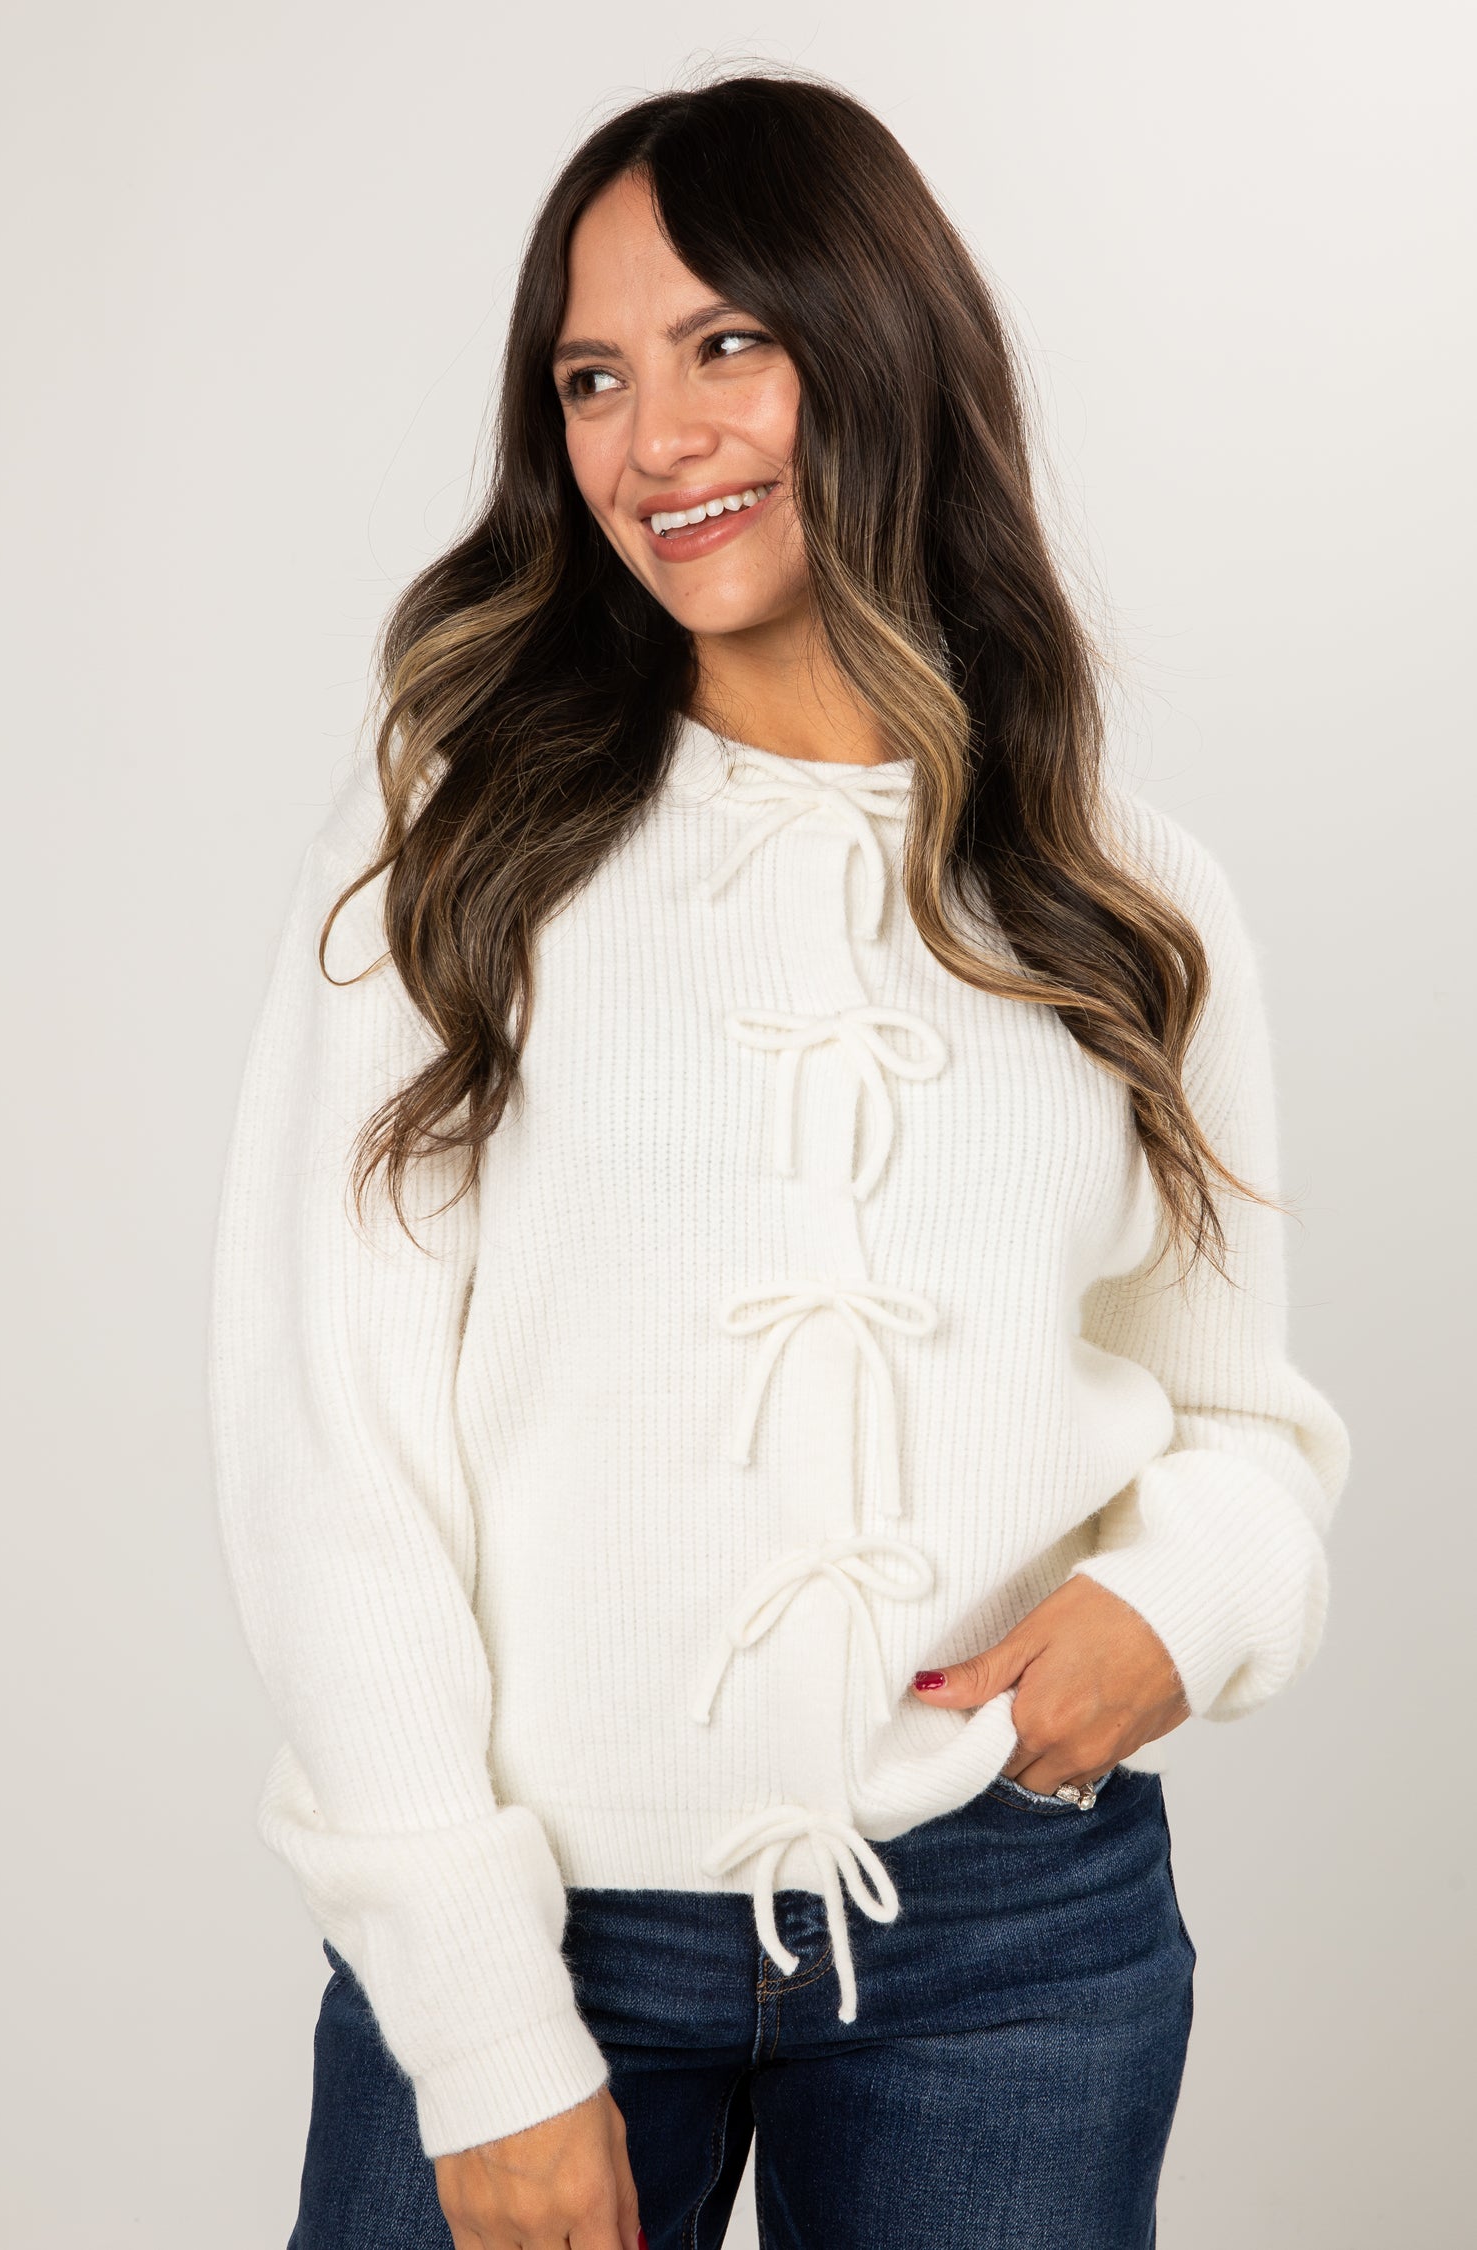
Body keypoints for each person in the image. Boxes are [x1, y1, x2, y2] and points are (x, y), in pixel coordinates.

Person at [207, 69, 1351, 2250]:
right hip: (545, 1934)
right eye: (593, 377)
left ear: (886, 344)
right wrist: (480, 2022)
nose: (658, 440)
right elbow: (324, 1464)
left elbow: (1240, 1419)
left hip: (1013, 1944)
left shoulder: (1130, 900)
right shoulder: (454, 851)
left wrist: (1180, 1607)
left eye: (730, 342)